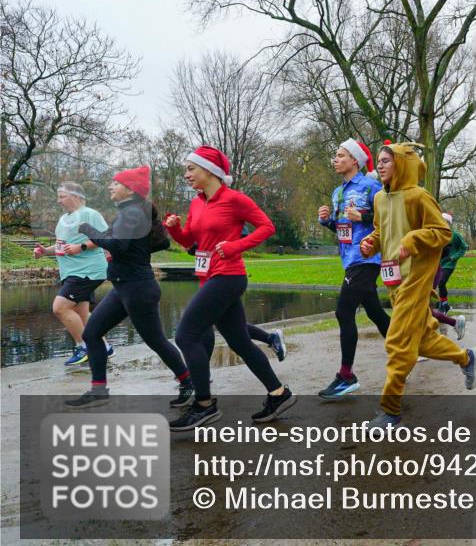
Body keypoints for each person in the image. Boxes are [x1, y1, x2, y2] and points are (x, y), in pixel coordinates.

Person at [164, 146, 294, 430]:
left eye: (190, 169)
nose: (186, 174)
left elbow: (266, 227)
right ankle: (278, 393)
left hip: (228, 276)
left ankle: (204, 404)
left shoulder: (235, 199)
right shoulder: (197, 203)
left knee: (186, 335)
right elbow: (190, 242)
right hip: (208, 277)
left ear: (209, 170)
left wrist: (236, 247)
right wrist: (174, 229)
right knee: (239, 341)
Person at [359, 142, 476, 429]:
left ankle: (390, 411)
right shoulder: (379, 199)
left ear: (402, 163)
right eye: (379, 161)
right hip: (392, 280)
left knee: (398, 342)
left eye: (387, 160)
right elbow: (381, 230)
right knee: (423, 341)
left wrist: (411, 242)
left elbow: (441, 232)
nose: (381, 165)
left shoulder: (419, 196)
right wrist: (370, 243)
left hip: (416, 280)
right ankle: (466, 358)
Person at [64, 167, 193, 408]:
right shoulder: (131, 212)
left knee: (156, 341)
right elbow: (155, 243)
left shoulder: (132, 212)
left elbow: (119, 244)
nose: (110, 186)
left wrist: (87, 230)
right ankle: (99, 390)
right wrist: (126, 252)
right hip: (123, 288)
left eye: (115, 183)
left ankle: (188, 382)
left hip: (138, 290)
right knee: (91, 334)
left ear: (130, 189)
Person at [316, 139, 393, 400]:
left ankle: (346, 376)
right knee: (374, 311)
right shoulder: (338, 193)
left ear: (355, 161)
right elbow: (341, 230)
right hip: (349, 258)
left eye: (340, 155)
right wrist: (327, 221)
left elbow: (391, 216)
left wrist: (366, 217)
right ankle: (406, 347)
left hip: (368, 258)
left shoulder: (372, 186)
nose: (335, 160)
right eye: (335, 156)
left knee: (343, 311)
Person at [33, 182, 114, 366]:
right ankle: (104, 347)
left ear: (76, 196)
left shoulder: (90, 214)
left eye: (62, 196)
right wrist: (45, 251)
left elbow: (106, 237)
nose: (59, 201)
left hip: (87, 271)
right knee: (82, 313)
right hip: (71, 272)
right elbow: (63, 244)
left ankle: (83, 347)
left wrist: (81, 247)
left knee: (60, 308)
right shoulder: (64, 219)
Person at [435, 212, 467, 314]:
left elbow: (464, 247)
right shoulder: (437, 235)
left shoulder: (455, 235)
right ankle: (444, 305)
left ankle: (443, 306)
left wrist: (454, 257)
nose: (443, 224)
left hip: (449, 264)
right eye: (441, 222)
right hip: (439, 264)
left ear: (449, 223)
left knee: (441, 282)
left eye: (445, 222)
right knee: (437, 284)